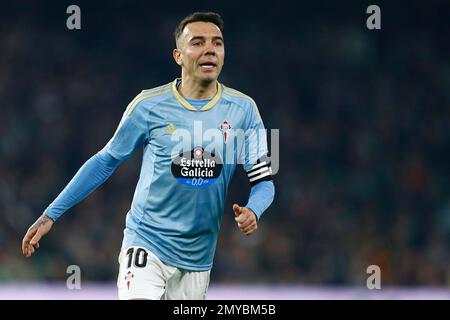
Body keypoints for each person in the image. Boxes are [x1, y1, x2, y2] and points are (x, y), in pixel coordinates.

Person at [22, 12, 275, 300]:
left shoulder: (244, 110)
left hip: (198, 259)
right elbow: (105, 161)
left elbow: (265, 181)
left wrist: (254, 210)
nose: (210, 49)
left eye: (217, 43)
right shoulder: (148, 105)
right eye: (198, 43)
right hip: (146, 244)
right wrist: (51, 214)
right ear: (178, 56)